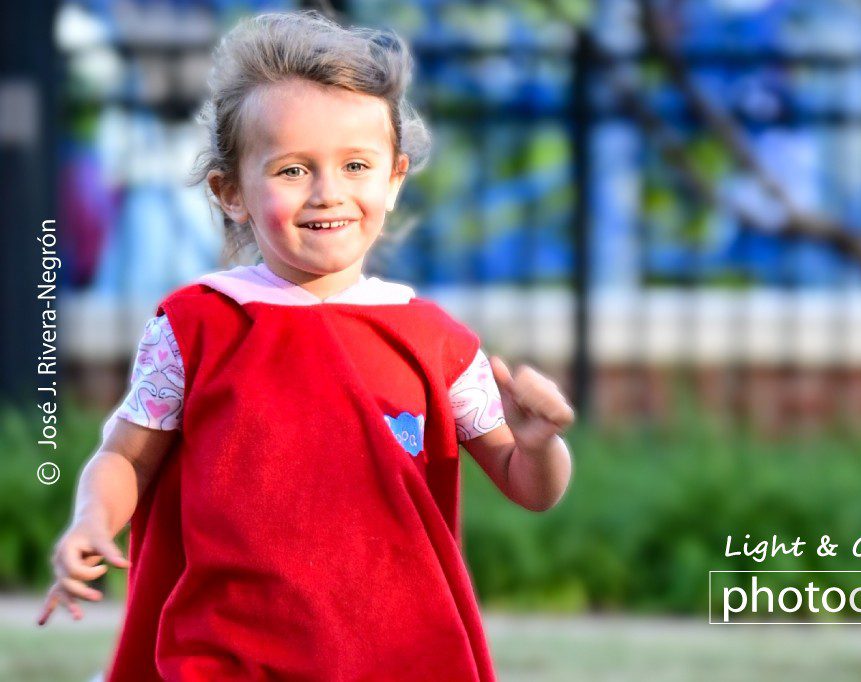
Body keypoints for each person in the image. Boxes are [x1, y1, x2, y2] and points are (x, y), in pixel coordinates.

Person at [38, 11, 574, 681]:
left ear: (394, 176)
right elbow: (127, 458)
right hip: (228, 654)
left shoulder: (437, 344)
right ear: (230, 192)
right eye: (293, 170)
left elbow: (531, 489)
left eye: (356, 165)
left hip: (399, 660)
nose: (329, 192)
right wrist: (92, 518)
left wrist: (538, 445)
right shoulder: (195, 325)